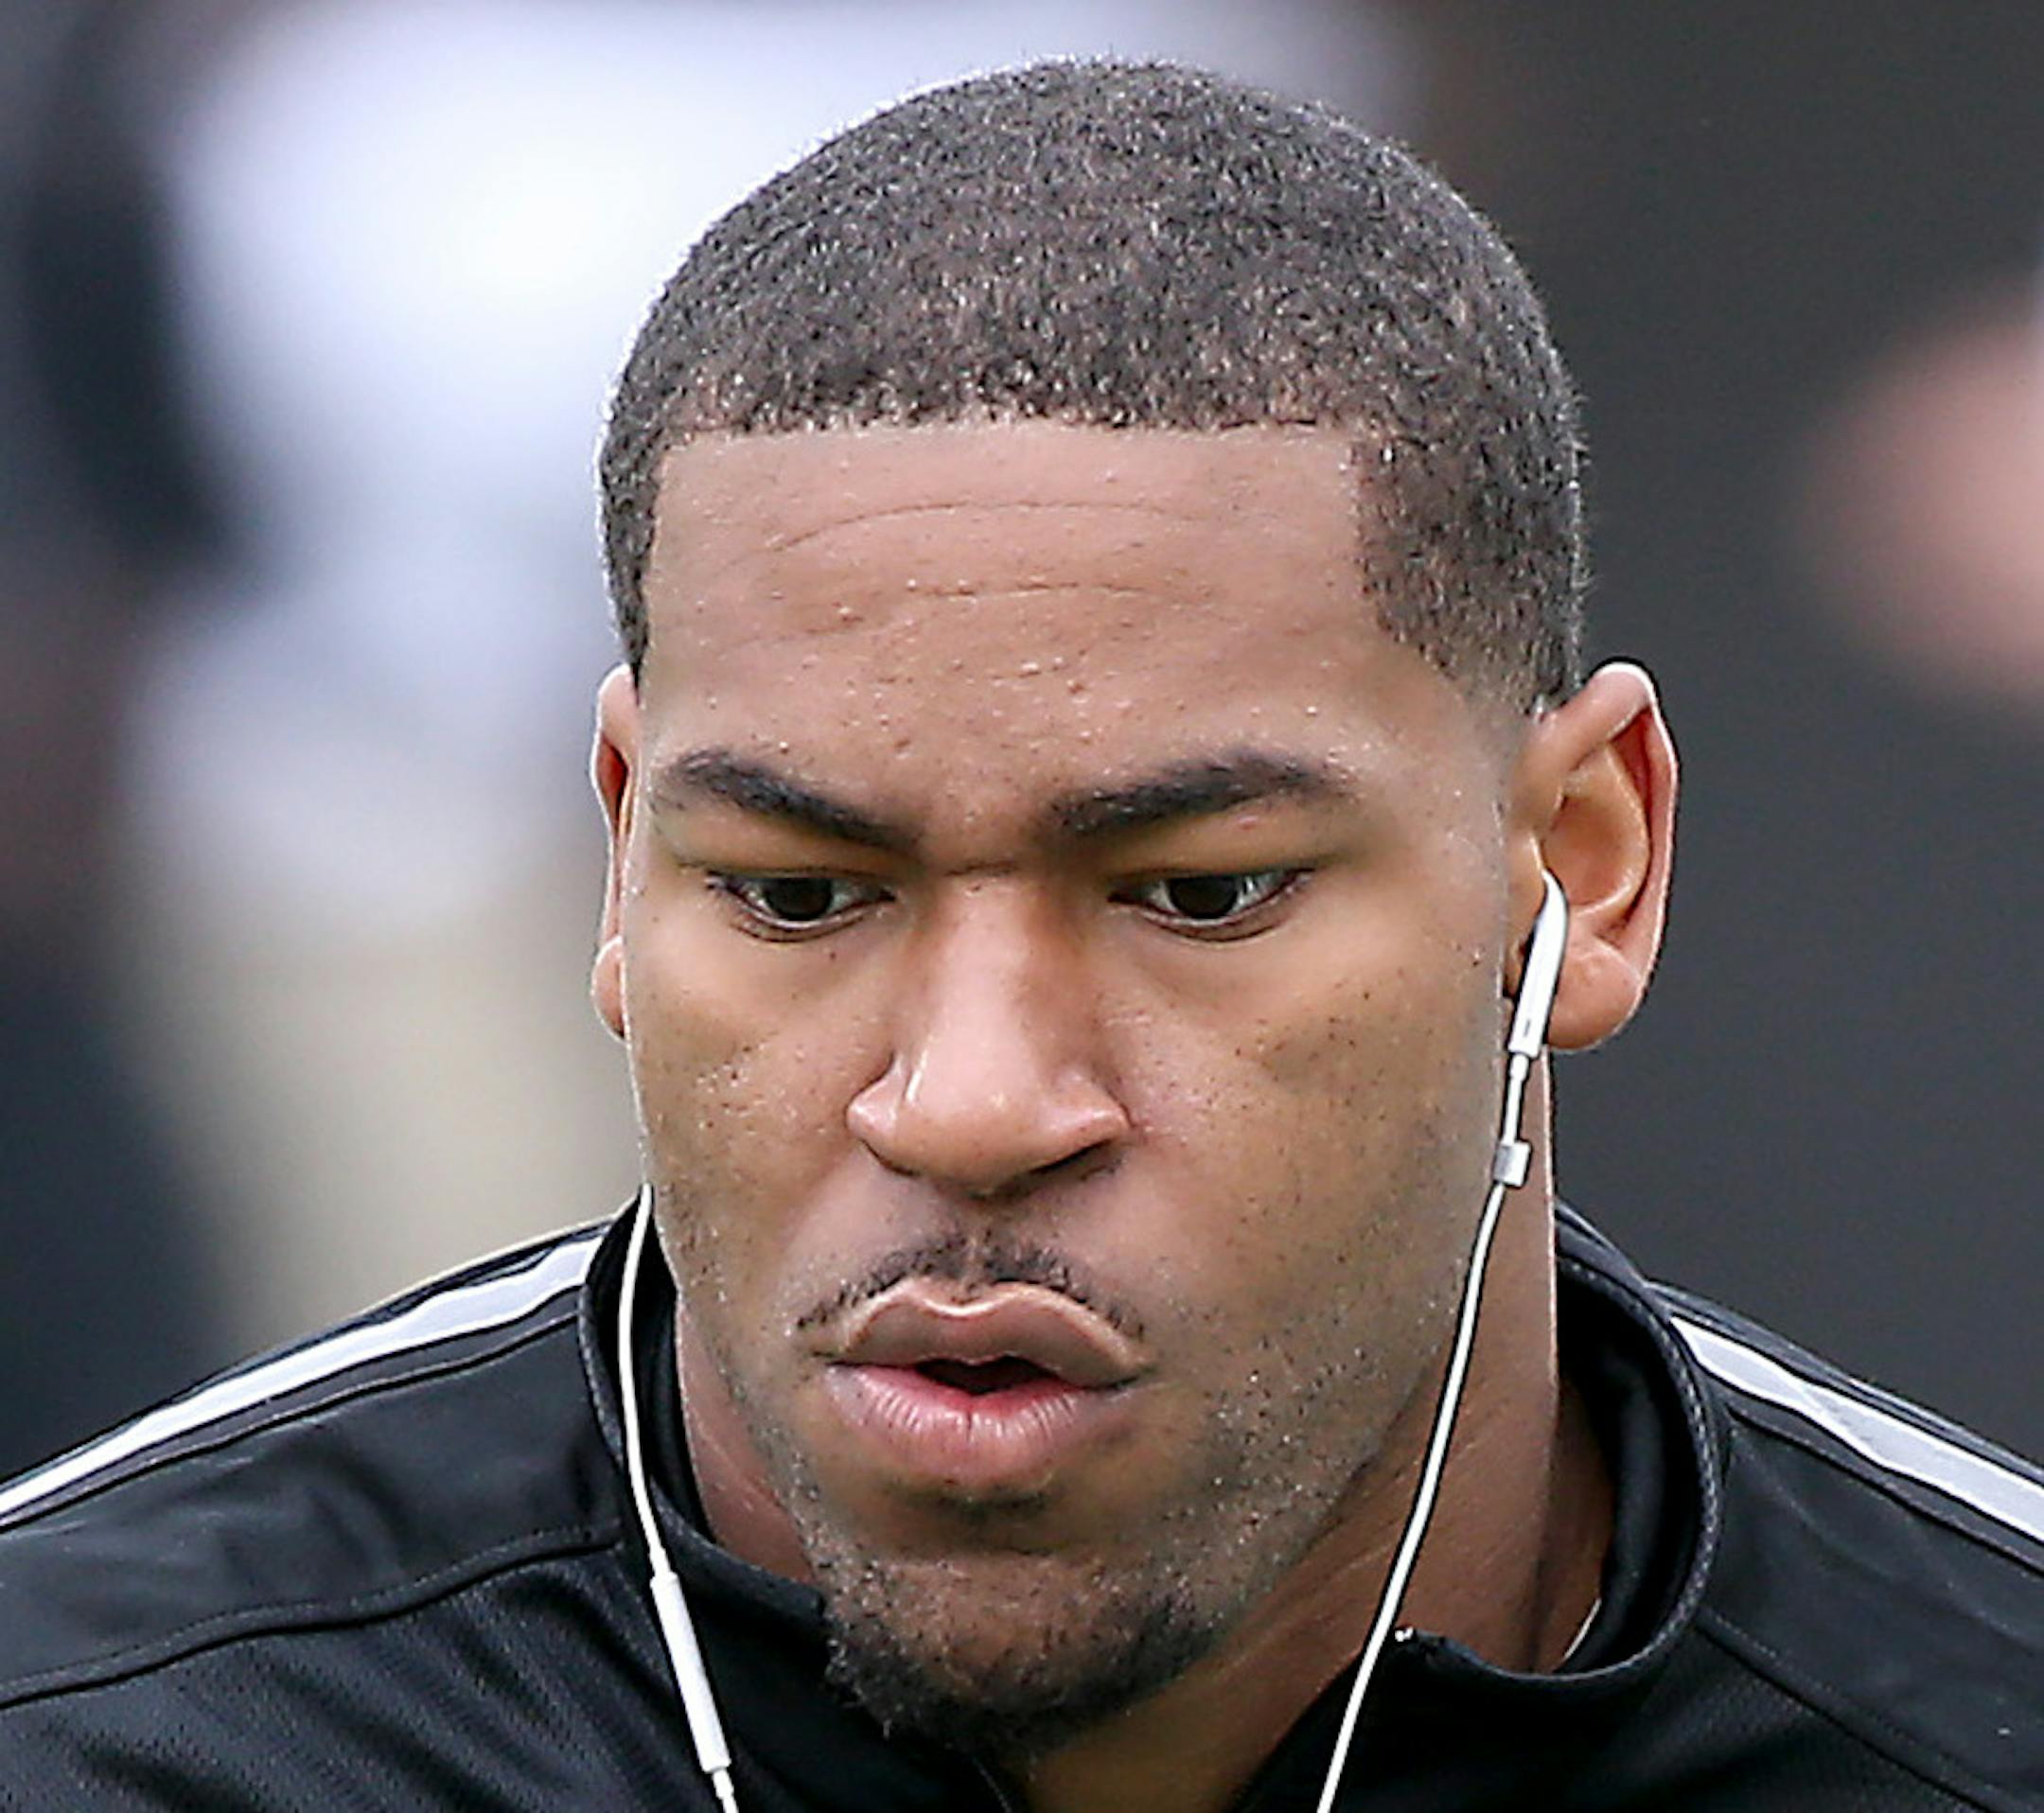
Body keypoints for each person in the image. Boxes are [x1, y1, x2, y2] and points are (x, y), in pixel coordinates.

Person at [1, 60, 2037, 1812]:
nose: (971, 1102)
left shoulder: (1972, 1712)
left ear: (1579, 866)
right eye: (797, 894)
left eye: (1202, 890)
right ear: (624, 867)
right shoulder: (102, 1732)